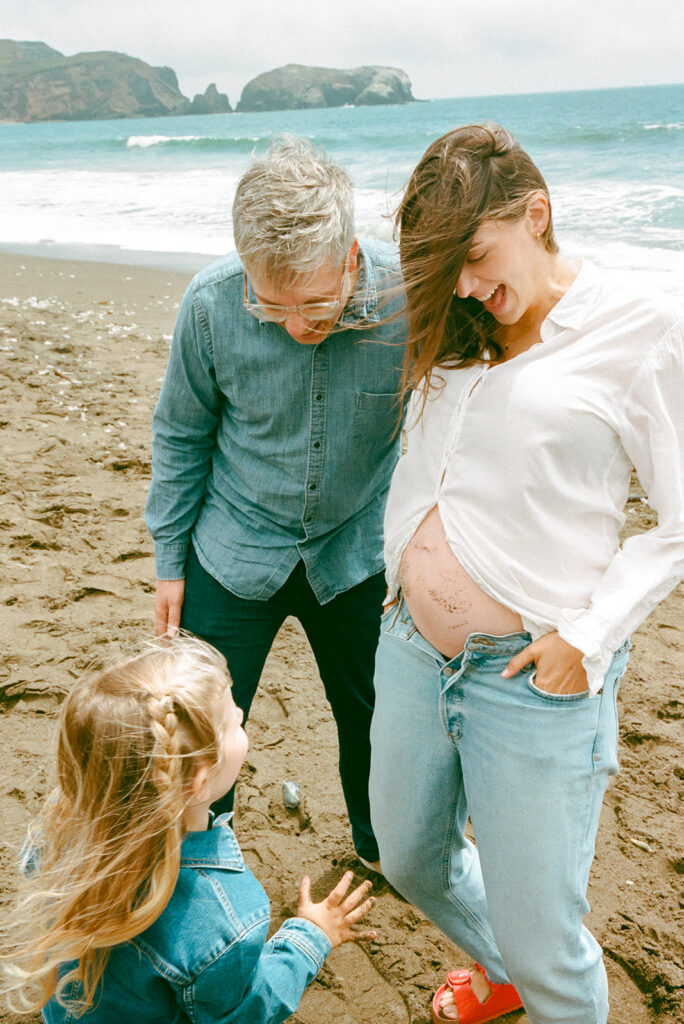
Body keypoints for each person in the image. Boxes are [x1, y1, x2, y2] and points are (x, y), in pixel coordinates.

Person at [368, 123, 684, 1024]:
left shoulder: (644, 329)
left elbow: (679, 518)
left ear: (536, 213)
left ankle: (531, 981)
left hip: (534, 676)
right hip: (411, 650)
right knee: (410, 859)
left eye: (472, 256)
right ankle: (501, 973)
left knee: (547, 940)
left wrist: (587, 639)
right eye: (445, 267)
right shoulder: (453, 318)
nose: (465, 284)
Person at [145, 136, 405, 872]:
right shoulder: (210, 304)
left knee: (376, 721)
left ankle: (380, 853)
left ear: (351, 254)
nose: (297, 324)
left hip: (358, 550)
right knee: (201, 732)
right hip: (231, 549)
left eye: (317, 303)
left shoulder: (408, 295)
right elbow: (181, 434)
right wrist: (170, 562)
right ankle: (202, 869)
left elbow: (455, 425)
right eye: (272, 305)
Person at [1, 636, 376, 1023]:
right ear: (198, 781)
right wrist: (309, 936)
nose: (242, 713)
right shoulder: (223, 916)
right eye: (233, 721)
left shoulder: (56, 828)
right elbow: (246, 1011)